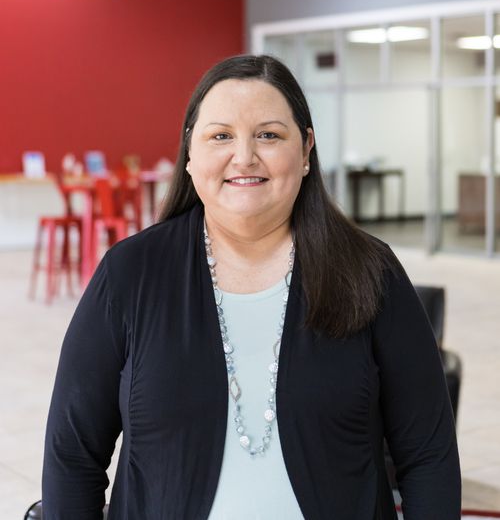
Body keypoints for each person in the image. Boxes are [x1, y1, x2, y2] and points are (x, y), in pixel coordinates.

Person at [42, 54, 461, 519]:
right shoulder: (129, 274)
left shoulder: (370, 271)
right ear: (190, 152)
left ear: (306, 150)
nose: (244, 157)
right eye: (221, 136)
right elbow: (71, 456)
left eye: (269, 135)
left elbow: (429, 454)